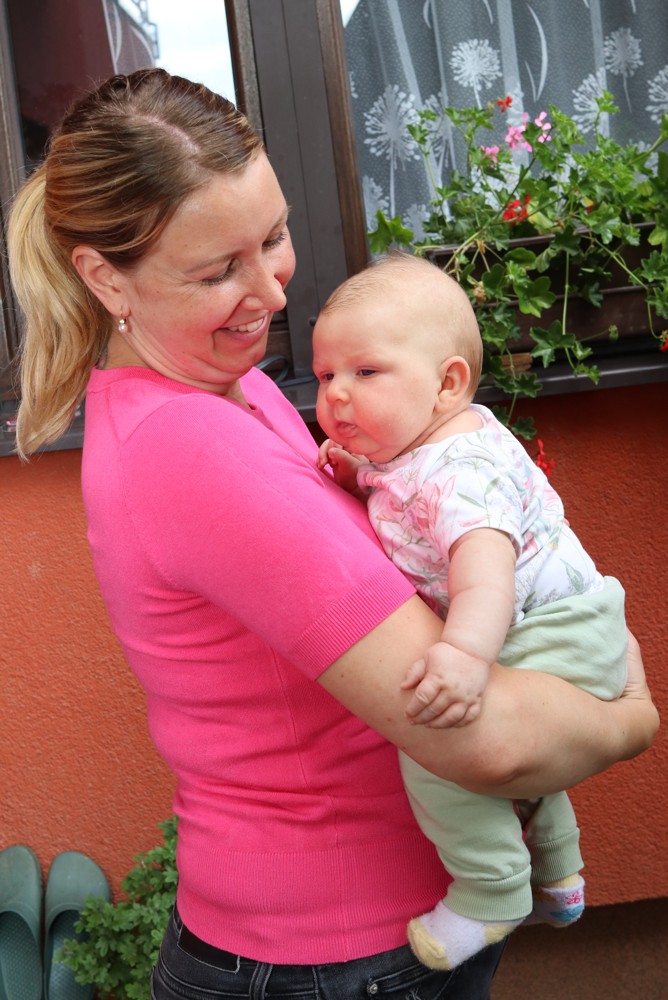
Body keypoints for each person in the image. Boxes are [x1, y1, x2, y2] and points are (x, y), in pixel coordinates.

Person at [6, 69, 657, 1000]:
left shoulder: (235, 386)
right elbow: (483, 744)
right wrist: (629, 717)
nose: (269, 293)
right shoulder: (193, 448)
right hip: (329, 952)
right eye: (216, 271)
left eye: (272, 238)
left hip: (363, 934)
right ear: (106, 276)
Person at [312, 251, 631, 971]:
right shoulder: (426, 445)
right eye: (327, 375)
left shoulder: (460, 472)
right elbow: (405, 496)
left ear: (447, 384)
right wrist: (360, 476)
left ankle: (492, 894)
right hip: (566, 626)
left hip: (548, 630)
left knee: (440, 744)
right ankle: (560, 870)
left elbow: (486, 576)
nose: (337, 394)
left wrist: (462, 656)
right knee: (526, 750)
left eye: (366, 371)